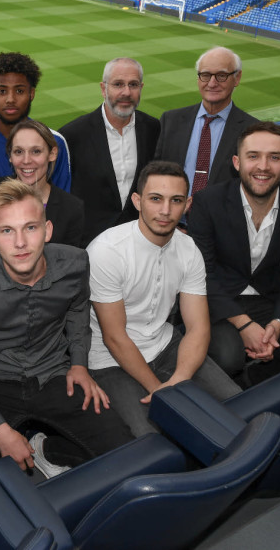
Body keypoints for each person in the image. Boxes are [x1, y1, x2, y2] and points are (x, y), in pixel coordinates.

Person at [0, 179, 133, 491]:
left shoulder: (75, 263)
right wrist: (0, 430)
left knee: (124, 449)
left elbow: (77, 309)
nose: (20, 242)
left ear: (47, 230)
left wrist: (79, 364)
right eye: (7, 231)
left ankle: (49, 451)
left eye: (30, 228)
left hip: (52, 374)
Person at [86, 161, 241, 437]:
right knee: (149, 438)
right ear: (137, 201)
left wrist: (180, 379)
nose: (166, 211)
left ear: (188, 204)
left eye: (176, 200)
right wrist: (158, 388)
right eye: (156, 199)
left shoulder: (189, 248)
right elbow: (114, 337)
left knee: (237, 405)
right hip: (110, 359)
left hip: (166, 344)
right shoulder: (106, 251)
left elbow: (197, 327)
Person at [188, 122, 280, 386]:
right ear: (237, 162)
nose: (263, 167)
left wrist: (278, 323)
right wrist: (245, 325)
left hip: (270, 299)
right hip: (220, 298)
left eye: (274, 158)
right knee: (228, 357)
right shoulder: (206, 202)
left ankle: (254, 384)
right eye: (253, 156)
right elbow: (202, 275)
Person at [58, 57, 161, 247]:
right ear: (103, 89)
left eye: (133, 84)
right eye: (118, 84)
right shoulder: (72, 135)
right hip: (90, 244)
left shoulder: (154, 128)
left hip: (139, 241)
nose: (126, 92)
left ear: (141, 88)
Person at [155, 46, 257, 196]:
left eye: (221, 75)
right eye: (205, 75)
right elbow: (154, 173)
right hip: (172, 217)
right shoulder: (170, 120)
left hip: (220, 218)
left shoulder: (253, 131)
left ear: (237, 78)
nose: (212, 83)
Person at [0, 52, 72, 192]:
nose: (10, 99)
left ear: (31, 94)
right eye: (2, 91)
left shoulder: (54, 141)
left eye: (19, 91)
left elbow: (61, 203)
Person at [0, 119, 84, 253]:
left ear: (52, 154)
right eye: (18, 152)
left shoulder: (71, 208)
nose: (27, 160)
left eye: (36, 151)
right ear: (10, 155)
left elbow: (68, 263)